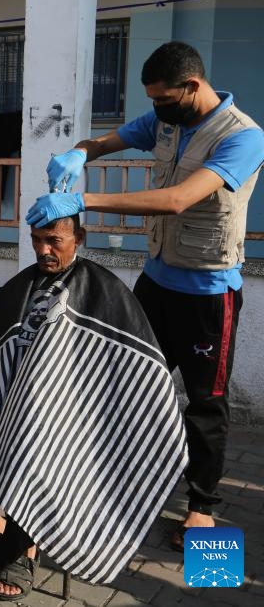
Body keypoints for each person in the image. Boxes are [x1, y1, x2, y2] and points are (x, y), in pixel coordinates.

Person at [26, 41, 264, 549]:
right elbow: (105, 143)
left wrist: (82, 198)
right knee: (124, 382)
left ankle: (201, 508)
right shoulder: (165, 121)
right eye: (151, 101)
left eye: (162, 99)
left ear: (191, 87)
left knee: (203, 403)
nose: (155, 110)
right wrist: (77, 153)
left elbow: (177, 199)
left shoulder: (243, 137)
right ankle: (118, 484)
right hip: (155, 284)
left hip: (208, 294)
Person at [0, 215, 187, 599]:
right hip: (3, 398)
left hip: (72, 411)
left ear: (80, 238)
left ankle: (26, 548)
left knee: (32, 445)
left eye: (53, 240)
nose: (43, 250)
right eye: (37, 240)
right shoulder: (21, 285)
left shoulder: (105, 290)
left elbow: (130, 366)